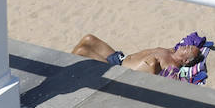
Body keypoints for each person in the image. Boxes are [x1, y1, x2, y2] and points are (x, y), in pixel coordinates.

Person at [71, 34, 202, 74]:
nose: (187, 46)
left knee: (81, 51)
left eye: (189, 49)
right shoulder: (171, 51)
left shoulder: (171, 66)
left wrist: (151, 66)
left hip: (116, 71)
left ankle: (62, 76)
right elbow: (190, 40)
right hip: (120, 58)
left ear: (185, 61)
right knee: (88, 39)